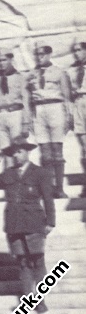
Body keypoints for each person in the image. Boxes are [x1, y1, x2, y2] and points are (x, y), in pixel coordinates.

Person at [0, 135, 57, 314]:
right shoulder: (9, 173)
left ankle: (40, 299)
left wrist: (50, 222)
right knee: (23, 262)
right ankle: (29, 298)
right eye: (13, 153)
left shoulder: (40, 172)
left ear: (27, 152)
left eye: (19, 152)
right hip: (14, 223)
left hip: (34, 221)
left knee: (37, 260)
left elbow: (48, 199)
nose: (16, 156)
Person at [26, 42, 73, 199]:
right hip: (39, 111)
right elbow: (28, 98)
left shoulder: (59, 72)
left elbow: (66, 96)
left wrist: (68, 117)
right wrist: (29, 118)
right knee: (44, 152)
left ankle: (59, 188)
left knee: (57, 150)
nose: (39, 58)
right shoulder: (31, 74)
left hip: (56, 108)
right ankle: (48, 188)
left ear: (49, 54)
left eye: (42, 54)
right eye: (37, 55)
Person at [0, 47, 29, 174]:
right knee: (6, 151)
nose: (1, 63)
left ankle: (21, 182)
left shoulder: (19, 77)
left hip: (15, 114)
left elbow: (25, 100)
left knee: (17, 149)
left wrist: (26, 123)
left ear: (11, 59)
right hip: (0, 116)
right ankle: (10, 186)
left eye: (4, 60)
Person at [71, 40, 86, 197]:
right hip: (78, 103)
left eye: (79, 50)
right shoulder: (73, 69)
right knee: (84, 147)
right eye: (74, 51)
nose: (76, 53)